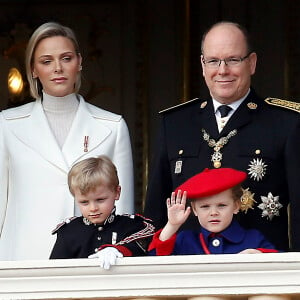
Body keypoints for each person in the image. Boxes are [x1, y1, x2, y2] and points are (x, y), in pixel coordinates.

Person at [144, 21, 300, 252]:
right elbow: (155, 211)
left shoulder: (286, 122)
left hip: (261, 274)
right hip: (186, 274)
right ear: (202, 64)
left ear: (252, 63)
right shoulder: (175, 123)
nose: (222, 70)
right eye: (213, 61)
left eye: (233, 60)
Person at [0, 22, 134, 261]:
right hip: (21, 259)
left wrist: (118, 254)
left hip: (91, 261)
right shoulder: (7, 124)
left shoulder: (112, 126)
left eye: (66, 58)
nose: (57, 68)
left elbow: (122, 211)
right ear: (33, 69)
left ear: (79, 62)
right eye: (46, 61)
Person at [50, 155, 155, 269]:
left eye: (100, 200)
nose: (93, 208)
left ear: (117, 192)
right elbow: (55, 271)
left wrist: (118, 250)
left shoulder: (134, 227)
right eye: (84, 202)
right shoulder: (69, 232)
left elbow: (144, 255)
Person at [148, 168, 278, 255]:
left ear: (236, 206)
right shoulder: (185, 240)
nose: (213, 212)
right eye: (205, 206)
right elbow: (154, 261)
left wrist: (258, 254)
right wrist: (172, 225)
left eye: (221, 205)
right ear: (194, 209)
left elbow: (281, 264)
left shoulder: (253, 238)